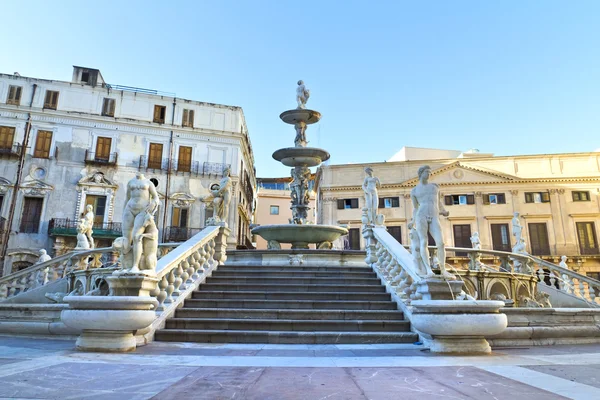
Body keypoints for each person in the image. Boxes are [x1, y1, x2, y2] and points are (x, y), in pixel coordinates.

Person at [410, 165, 455, 280]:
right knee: (423, 242)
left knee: (441, 243)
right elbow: (415, 208)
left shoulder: (435, 187)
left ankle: (443, 270)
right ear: (421, 173)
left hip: (434, 215)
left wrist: (443, 211)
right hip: (421, 215)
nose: (429, 174)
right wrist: (412, 220)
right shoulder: (414, 191)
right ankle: (428, 270)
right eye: (427, 172)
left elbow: (438, 201)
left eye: (430, 172)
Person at [122, 172, 160, 271]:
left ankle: (135, 265)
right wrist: (123, 212)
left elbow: (156, 197)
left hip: (143, 210)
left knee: (137, 237)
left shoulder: (148, 183)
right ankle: (125, 265)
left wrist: (153, 203)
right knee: (125, 239)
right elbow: (127, 198)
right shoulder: (130, 182)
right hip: (129, 209)